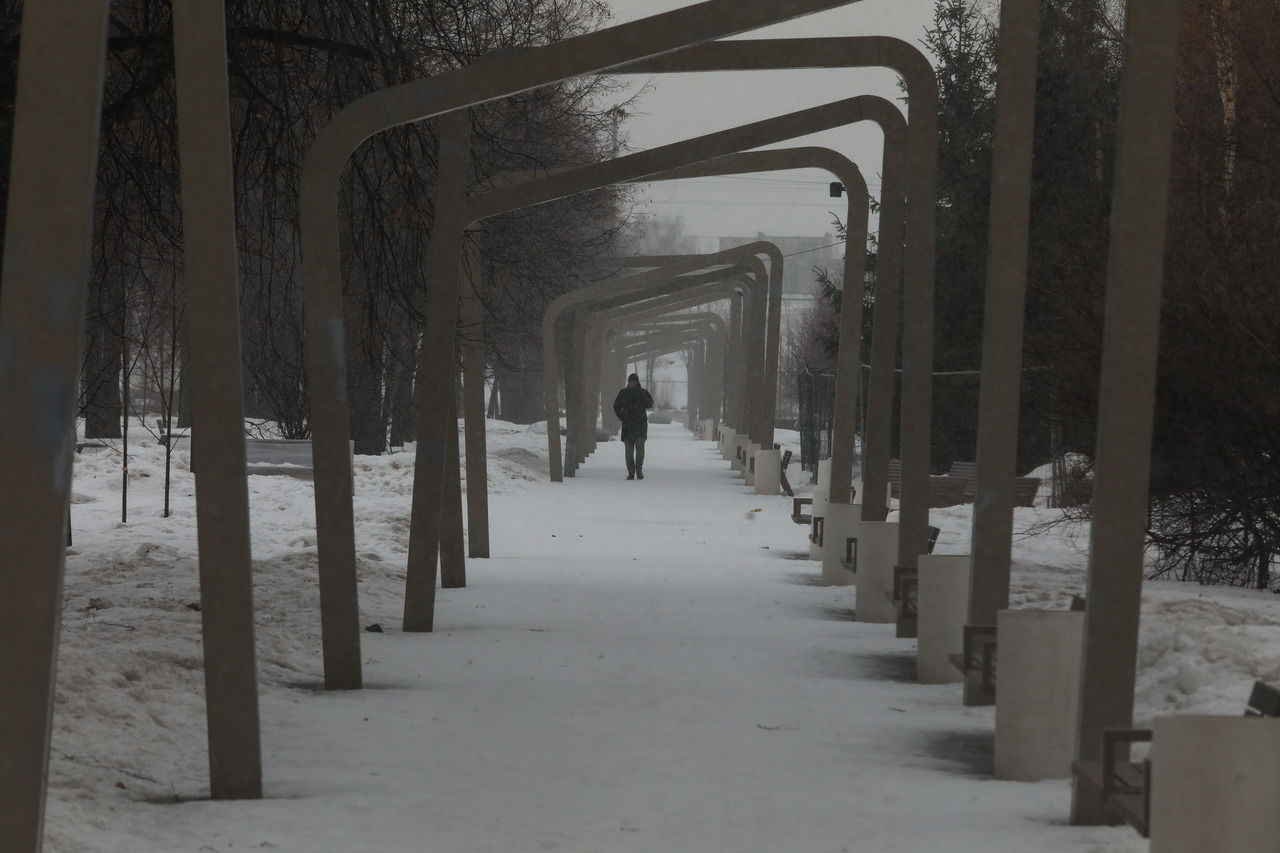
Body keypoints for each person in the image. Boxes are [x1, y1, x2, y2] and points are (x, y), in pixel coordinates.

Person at [612, 372, 654, 480]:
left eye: (634, 382)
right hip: (628, 426)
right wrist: (622, 417)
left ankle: (639, 470)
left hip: (640, 426)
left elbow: (649, 404)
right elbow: (616, 406)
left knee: (640, 451)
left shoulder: (643, 393)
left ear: (637, 382)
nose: (632, 384)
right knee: (629, 452)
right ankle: (631, 472)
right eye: (630, 382)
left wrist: (641, 396)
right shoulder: (623, 393)